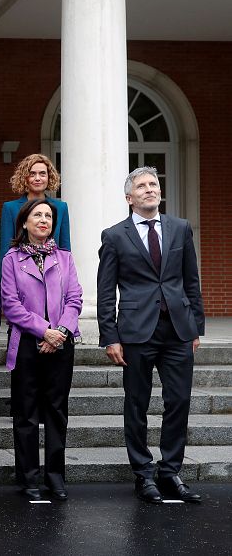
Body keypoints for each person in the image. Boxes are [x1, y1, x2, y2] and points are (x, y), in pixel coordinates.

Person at [97, 166, 205, 504]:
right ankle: (143, 474)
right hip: (136, 332)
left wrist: (196, 327)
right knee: (137, 404)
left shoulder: (180, 229)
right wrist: (110, 336)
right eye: (141, 186)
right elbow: (105, 291)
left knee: (179, 400)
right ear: (129, 197)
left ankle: (170, 471)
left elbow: (191, 280)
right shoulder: (114, 235)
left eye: (153, 184)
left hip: (177, 329)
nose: (149, 189)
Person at [1, 198, 82, 501]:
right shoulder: (12, 259)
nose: (44, 220)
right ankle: (29, 478)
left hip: (61, 344)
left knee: (57, 412)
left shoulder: (65, 258)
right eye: (38, 215)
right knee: (26, 414)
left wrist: (60, 331)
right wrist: (44, 330)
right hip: (26, 344)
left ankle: (55, 477)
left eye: (49, 216)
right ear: (24, 222)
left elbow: (74, 298)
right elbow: (11, 305)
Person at [0, 153, 70, 258]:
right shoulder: (10, 208)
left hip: (54, 270)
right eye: (32, 174)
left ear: (49, 177)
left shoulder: (61, 208)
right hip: (21, 271)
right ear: (25, 178)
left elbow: (65, 249)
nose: (37, 178)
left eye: (42, 174)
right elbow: (6, 250)